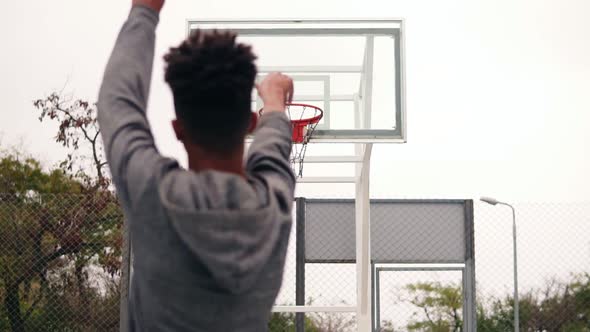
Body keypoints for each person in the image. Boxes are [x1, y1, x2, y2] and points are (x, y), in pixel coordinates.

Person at [97, 0, 296, 330]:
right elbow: (272, 145)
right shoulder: (273, 205)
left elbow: (117, 102)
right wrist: (274, 102)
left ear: (178, 129)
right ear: (249, 122)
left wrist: (143, 12)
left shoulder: (152, 193)